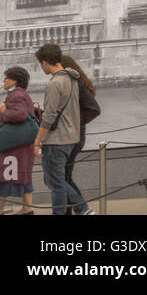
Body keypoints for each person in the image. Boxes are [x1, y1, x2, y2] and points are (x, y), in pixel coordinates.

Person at [33, 43, 90, 215]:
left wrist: (37, 141)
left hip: (56, 140)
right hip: (71, 137)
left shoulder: (54, 84)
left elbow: (49, 116)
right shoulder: (73, 79)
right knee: (56, 180)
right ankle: (82, 209)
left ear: (44, 62)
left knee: (55, 182)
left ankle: (83, 208)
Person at [0, 66, 36, 215]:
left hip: (13, 147)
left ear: (15, 80)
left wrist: (4, 111)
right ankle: (28, 208)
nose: (4, 80)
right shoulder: (22, 94)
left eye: (7, 78)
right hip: (21, 145)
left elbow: (20, 115)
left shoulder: (16, 95)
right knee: (23, 174)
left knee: (4, 175)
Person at [57, 55, 95, 214]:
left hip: (72, 135)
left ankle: (82, 209)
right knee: (65, 175)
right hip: (76, 134)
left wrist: (75, 122)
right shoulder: (80, 84)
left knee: (60, 177)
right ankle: (73, 210)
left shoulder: (75, 85)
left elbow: (93, 110)